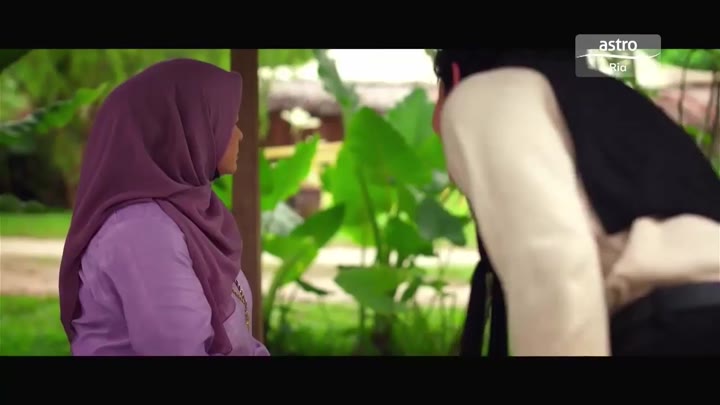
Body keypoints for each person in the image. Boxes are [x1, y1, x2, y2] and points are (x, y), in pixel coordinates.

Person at [431, 49, 720, 356]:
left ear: (454, 79)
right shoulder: (616, 106)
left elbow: (553, 267)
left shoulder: (489, 93)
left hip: (680, 328)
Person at [58, 58, 270, 356]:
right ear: (190, 128)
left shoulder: (190, 214)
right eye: (230, 122)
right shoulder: (142, 231)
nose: (239, 134)